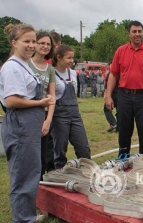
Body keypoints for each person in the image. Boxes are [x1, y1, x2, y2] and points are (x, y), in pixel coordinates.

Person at [0, 23, 55, 222]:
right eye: (27, 41)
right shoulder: (13, 67)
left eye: (33, 41)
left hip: (29, 123)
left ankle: (27, 216)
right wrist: (40, 102)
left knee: (31, 172)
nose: (31, 45)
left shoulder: (24, 64)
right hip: (21, 124)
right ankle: (23, 219)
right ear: (14, 43)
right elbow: (11, 100)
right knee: (23, 176)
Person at [105, 20, 143, 155]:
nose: (137, 34)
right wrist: (108, 95)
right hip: (124, 96)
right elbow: (113, 75)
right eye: (134, 31)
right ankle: (123, 159)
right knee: (124, 130)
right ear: (129, 34)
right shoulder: (121, 51)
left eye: (140, 31)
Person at [52, 44, 91, 169]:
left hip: (75, 114)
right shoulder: (51, 73)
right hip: (59, 116)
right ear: (59, 57)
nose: (71, 61)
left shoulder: (73, 73)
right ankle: (59, 175)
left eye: (72, 58)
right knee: (60, 149)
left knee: (83, 147)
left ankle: (87, 173)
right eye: (68, 58)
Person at [28, 31, 57, 179]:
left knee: (42, 156)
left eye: (48, 44)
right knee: (29, 157)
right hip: (26, 115)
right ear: (35, 44)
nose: (45, 46)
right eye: (42, 43)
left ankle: (40, 191)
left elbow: (52, 97)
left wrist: (48, 120)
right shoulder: (26, 64)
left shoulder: (50, 69)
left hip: (44, 115)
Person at [103, 63, 118, 132]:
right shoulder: (121, 72)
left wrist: (106, 95)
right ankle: (118, 127)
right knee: (119, 112)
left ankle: (113, 123)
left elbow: (107, 85)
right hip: (122, 95)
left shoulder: (111, 74)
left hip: (113, 95)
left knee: (106, 109)